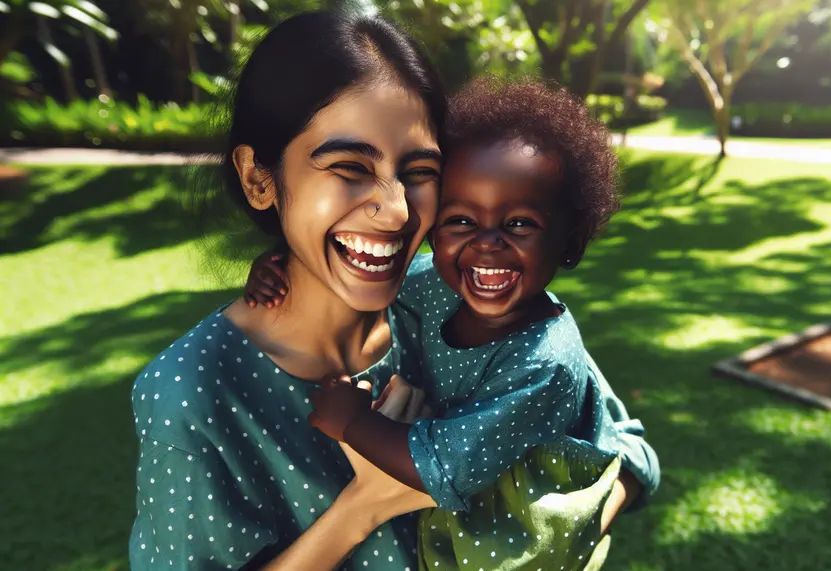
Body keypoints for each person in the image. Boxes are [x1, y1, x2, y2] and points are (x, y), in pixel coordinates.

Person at [130, 8, 657, 571]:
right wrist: (364, 506)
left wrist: (551, 546)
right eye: (350, 167)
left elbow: (626, 445)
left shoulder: (456, 298)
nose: (398, 212)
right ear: (261, 178)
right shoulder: (193, 391)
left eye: (420, 170)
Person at [247, 77, 656, 570]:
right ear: (433, 232)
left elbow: (443, 465)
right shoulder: (439, 284)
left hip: (529, 543)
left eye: (520, 224)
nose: (486, 243)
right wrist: (283, 266)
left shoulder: (544, 362)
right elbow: (364, 272)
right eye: (460, 221)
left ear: (569, 243)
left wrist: (353, 421)